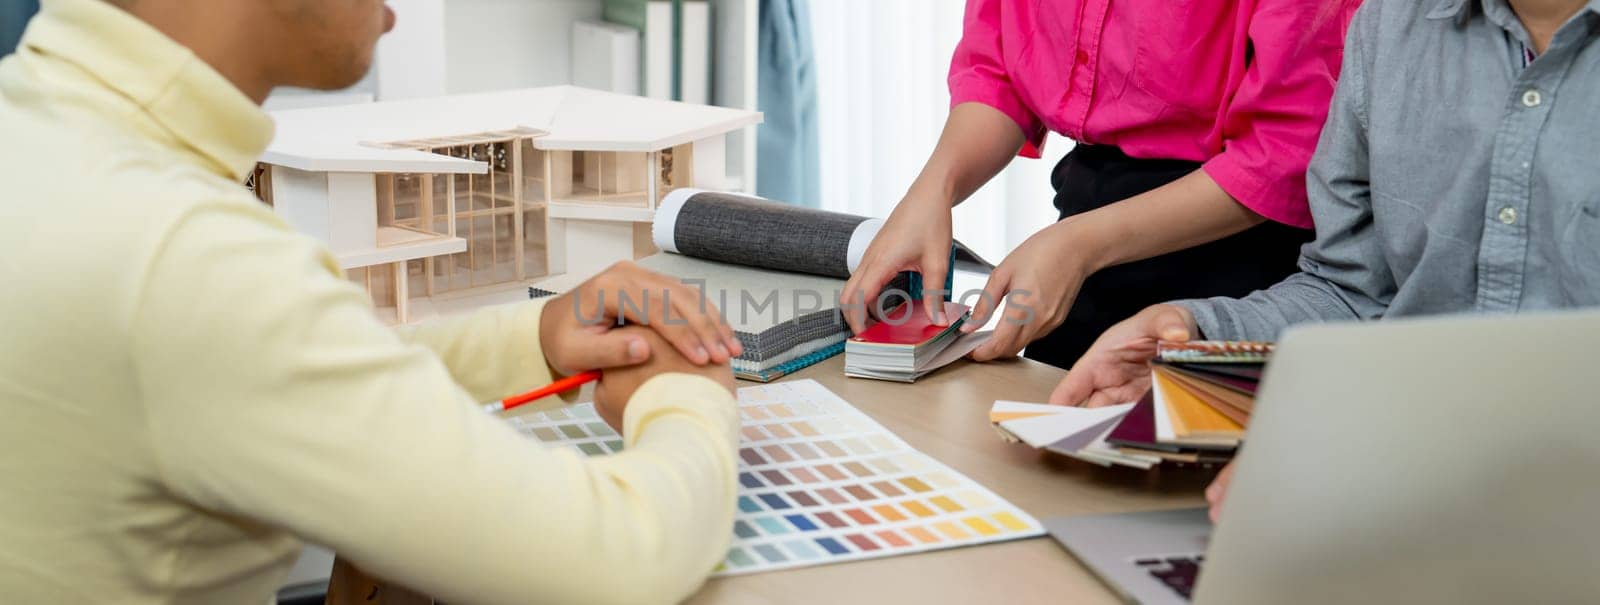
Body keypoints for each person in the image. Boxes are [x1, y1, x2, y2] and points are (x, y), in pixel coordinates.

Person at [0, 1, 749, 603]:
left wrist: (536, 338)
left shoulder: (39, 132)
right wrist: (687, 395)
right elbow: (618, 558)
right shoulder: (190, 259)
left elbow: (257, 375)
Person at [1052, 0, 1600, 521]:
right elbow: (1352, 293)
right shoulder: (1390, 27)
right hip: (1410, 516)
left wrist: (1365, 447)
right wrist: (1204, 355)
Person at [839, 0, 1360, 369]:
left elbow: (1282, 155)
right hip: (1088, 229)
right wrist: (935, 189)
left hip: (1240, 255)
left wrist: (1078, 246)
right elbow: (998, 68)